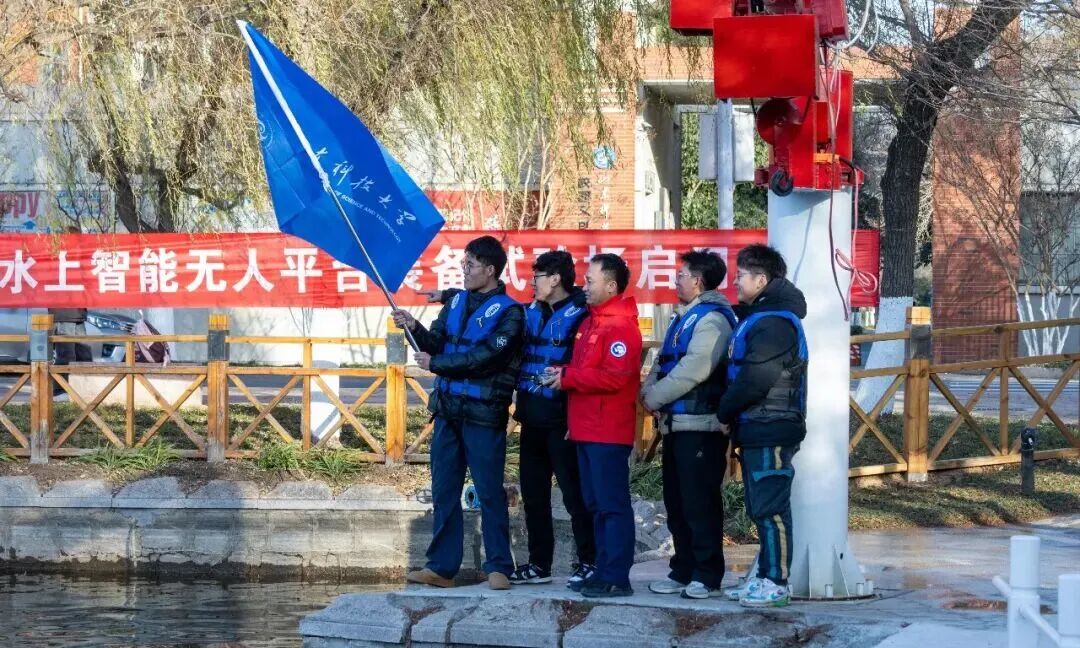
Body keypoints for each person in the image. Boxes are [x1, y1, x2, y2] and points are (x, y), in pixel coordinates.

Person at [392, 236, 524, 591]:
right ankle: (442, 567)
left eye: (470, 265)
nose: (464, 270)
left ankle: (499, 566)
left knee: (489, 491)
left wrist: (437, 364)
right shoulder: (454, 303)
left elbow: (486, 358)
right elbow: (435, 342)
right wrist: (413, 327)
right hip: (448, 412)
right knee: (444, 490)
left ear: (490, 270)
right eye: (463, 264)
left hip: (484, 415)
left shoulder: (511, 313)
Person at [541, 253, 642, 598]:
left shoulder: (620, 327)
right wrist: (563, 374)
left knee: (611, 505)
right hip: (586, 429)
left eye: (590, 280)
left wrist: (568, 377)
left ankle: (616, 576)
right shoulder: (590, 322)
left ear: (611, 286)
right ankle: (602, 570)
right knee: (595, 505)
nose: (583, 286)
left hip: (608, 431)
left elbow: (615, 377)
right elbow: (586, 373)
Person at [641, 250, 736, 600]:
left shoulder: (713, 320)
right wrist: (648, 389)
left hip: (700, 426)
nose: (675, 280)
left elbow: (694, 368)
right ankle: (682, 570)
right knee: (677, 502)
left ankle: (707, 575)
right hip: (675, 425)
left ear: (697, 281)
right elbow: (662, 363)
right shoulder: (683, 317)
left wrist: (655, 397)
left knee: (699, 503)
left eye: (681, 275)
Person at [717, 244, 808, 608]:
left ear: (761, 280)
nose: (735, 282)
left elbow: (757, 378)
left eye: (740, 276)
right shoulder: (759, 317)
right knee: (760, 507)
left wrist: (724, 412)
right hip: (757, 425)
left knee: (771, 507)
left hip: (772, 425)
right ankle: (763, 574)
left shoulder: (774, 324)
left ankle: (776, 581)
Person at [509, 251, 596, 589]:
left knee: (575, 496)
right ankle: (539, 564)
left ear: (556, 279)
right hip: (531, 419)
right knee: (533, 497)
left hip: (563, 421)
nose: (532, 283)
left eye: (537, 277)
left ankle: (589, 561)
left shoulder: (582, 315)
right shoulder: (530, 312)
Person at [50, 307, 91, 396]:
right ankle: (61, 389)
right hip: (64, 316)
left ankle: (82, 389)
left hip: (78, 316)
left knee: (84, 356)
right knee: (66, 356)